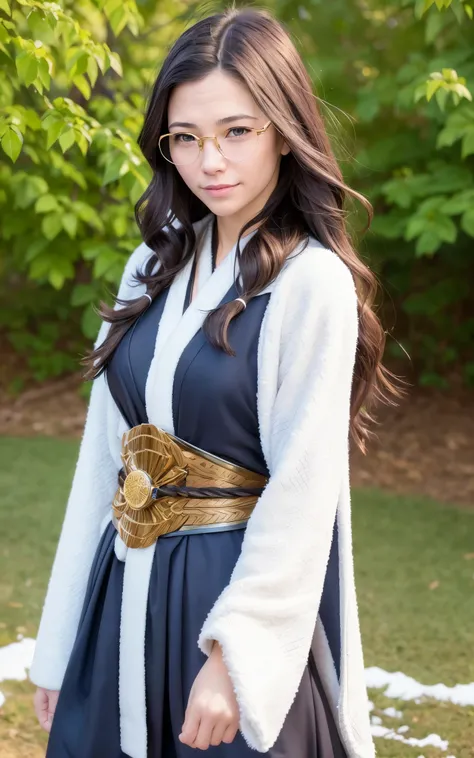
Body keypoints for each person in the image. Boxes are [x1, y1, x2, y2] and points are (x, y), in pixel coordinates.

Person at [29, 7, 400, 758]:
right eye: (187, 138)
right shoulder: (153, 265)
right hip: (119, 600)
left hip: (225, 608)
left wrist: (236, 660)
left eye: (237, 131)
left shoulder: (310, 284)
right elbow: (105, 462)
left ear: (283, 128)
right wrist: (63, 634)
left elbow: (303, 494)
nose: (211, 162)